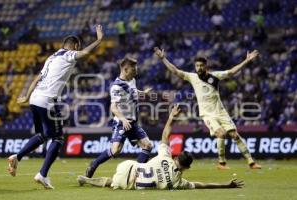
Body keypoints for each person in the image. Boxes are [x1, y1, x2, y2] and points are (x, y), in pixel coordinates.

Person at [7, 25, 104, 189]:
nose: (77, 50)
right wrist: (99, 40)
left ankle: (17, 156)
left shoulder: (51, 57)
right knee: (58, 138)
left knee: (44, 135)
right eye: (77, 47)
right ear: (74, 46)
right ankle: (42, 174)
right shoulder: (68, 55)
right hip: (47, 100)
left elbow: (38, 77)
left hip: (35, 98)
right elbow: (85, 54)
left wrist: (26, 96)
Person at [77, 104, 244, 190]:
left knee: (145, 151)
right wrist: (225, 185)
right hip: (130, 184)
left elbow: (165, 136)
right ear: (186, 167)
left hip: (128, 167)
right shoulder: (178, 183)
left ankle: (89, 177)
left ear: (176, 158)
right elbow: (201, 185)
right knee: (114, 182)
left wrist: (171, 117)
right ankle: (91, 180)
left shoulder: (166, 157)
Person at [154, 47, 262, 170]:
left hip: (221, 112)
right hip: (207, 114)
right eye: (197, 66)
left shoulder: (215, 76)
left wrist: (246, 61)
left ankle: (251, 162)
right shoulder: (192, 77)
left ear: (206, 66)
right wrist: (163, 59)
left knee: (235, 135)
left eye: (201, 65)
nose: (199, 68)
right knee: (221, 133)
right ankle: (222, 163)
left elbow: (232, 72)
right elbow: (175, 71)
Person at [84, 56, 153, 178]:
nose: (136, 71)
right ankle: (94, 164)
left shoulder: (132, 80)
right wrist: (123, 119)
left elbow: (133, 91)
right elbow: (113, 108)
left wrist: (143, 93)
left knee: (148, 146)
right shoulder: (116, 87)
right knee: (115, 150)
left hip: (133, 123)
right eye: (133, 69)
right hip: (121, 123)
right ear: (125, 69)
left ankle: (134, 174)